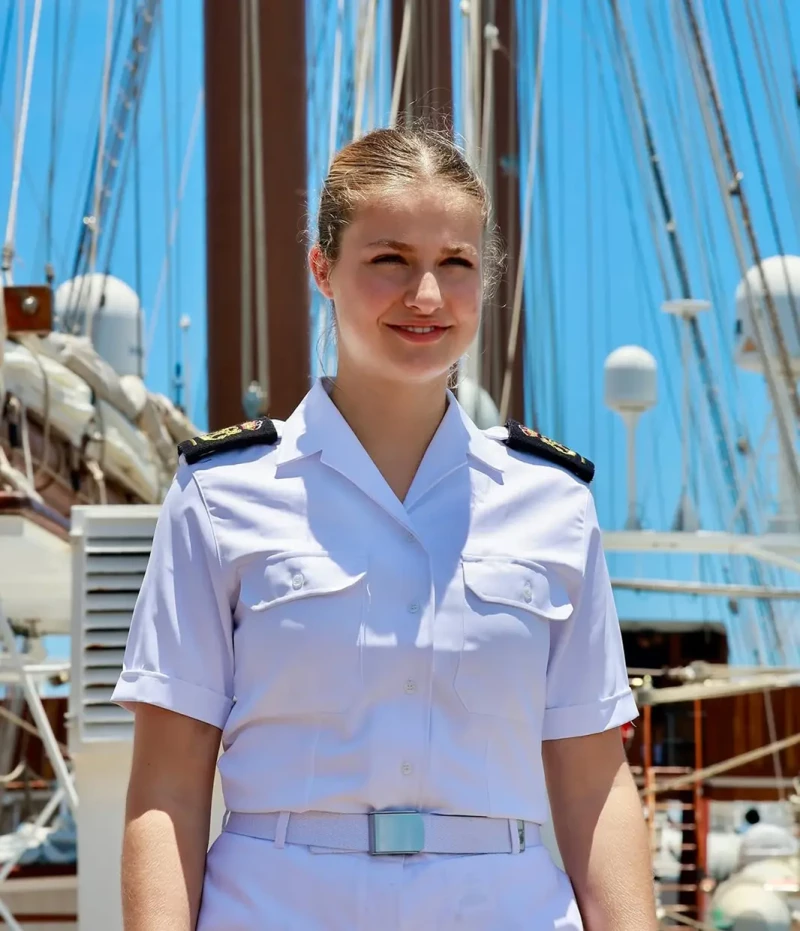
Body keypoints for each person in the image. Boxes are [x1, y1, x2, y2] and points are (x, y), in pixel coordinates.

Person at [114, 124, 658, 930]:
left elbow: (592, 782)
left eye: (457, 265)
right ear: (322, 268)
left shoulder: (555, 505)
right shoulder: (220, 496)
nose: (426, 296)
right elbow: (166, 785)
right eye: (390, 260)